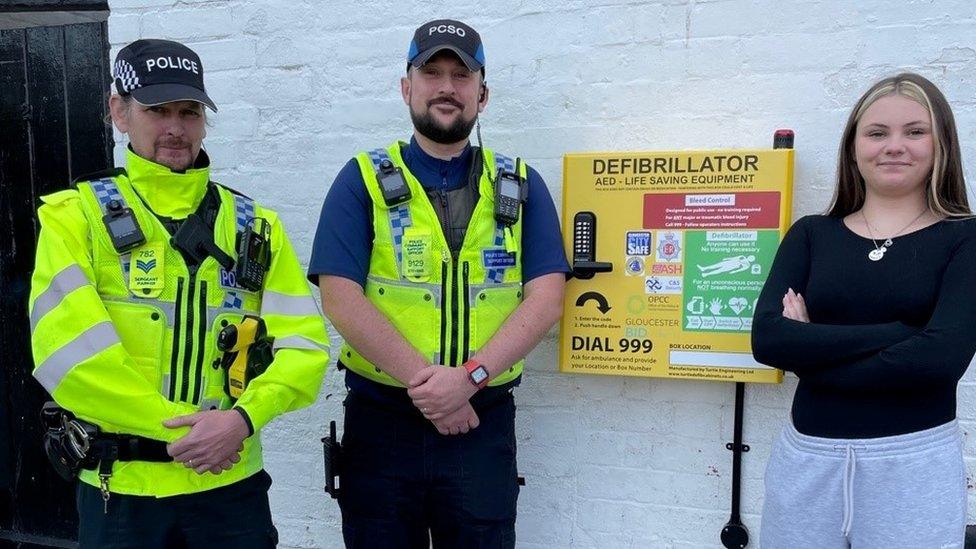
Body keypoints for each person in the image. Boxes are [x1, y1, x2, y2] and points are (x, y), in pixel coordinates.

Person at [29, 38, 329, 548]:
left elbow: (304, 347)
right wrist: (189, 435)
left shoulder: (257, 225)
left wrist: (243, 419)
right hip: (122, 491)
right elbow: (71, 358)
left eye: (189, 112)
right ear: (118, 112)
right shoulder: (73, 218)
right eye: (157, 110)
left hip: (231, 491)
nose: (175, 128)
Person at [308, 19, 569, 548]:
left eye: (461, 74)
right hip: (382, 425)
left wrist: (467, 381)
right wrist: (434, 391)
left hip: (481, 422)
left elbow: (546, 298)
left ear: (483, 94)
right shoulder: (361, 180)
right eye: (432, 72)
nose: (447, 86)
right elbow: (339, 294)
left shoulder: (520, 183)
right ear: (407, 87)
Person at [752, 73, 974, 548]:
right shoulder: (812, 234)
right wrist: (898, 332)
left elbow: (941, 360)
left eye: (915, 131)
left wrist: (811, 354)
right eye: (877, 133)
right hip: (807, 459)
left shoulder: (965, 239)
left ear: (943, 144)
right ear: (854, 147)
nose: (895, 146)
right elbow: (768, 340)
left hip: (912, 464)